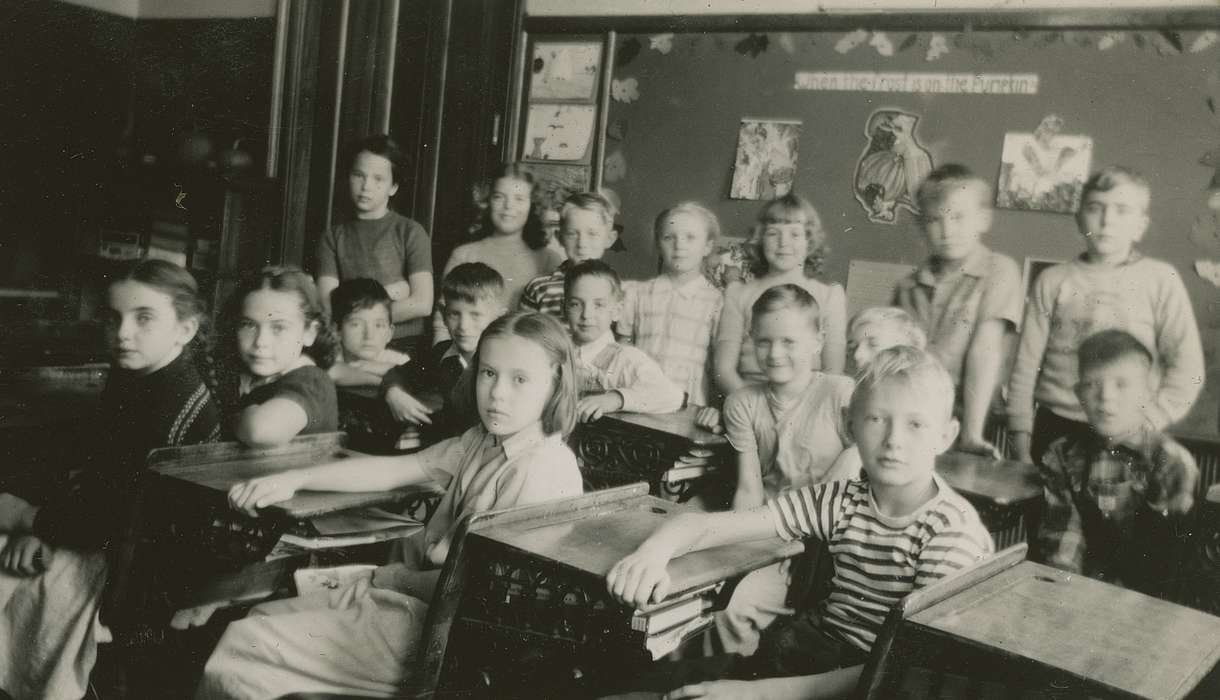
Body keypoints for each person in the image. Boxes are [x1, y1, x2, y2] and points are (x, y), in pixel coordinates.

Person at [195, 312, 584, 700]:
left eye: (520, 379)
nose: (497, 393)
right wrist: (295, 479)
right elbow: (400, 468)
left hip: (444, 637)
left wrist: (387, 579)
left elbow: (486, 593)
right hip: (413, 603)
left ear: (555, 384)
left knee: (245, 643)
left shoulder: (539, 467)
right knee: (260, 619)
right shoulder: (484, 440)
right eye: (488, 373)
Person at [604, 346, 993, 700]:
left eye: (915, 425)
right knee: (638, 691)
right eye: (876, 419)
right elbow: (709, 526)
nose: (893, 440)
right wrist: (652, 553)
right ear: (851, 425)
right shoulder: (840, 500)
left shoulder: (950, 531)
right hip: (806, 656)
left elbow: (908, 672)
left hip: (870, 685)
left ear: (946, 435)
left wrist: (754, 695)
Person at [0, 260, 220, 700]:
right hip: (100, 533)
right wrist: (39, 517)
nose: (122, 332)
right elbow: (89, 461)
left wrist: (33, 520)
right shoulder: (139, 376)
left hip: (133, 565)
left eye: (144, 318)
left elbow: (116, 514)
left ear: (185, 329)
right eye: (114, 317)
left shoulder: (167, 407)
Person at [1007, 166, 1205, 464]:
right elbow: (1025, 367)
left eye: (1122, 210)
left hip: (1130, 431)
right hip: (1057, 428)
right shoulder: (1053, 280)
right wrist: (1019, 436)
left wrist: (1150, 421)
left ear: (1140, 225)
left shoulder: (1161, 280)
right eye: (1095, 208)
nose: (1107, 220)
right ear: (1079, 219)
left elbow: (1188, 368)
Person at [709, 285, 855, 656]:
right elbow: (749, 488)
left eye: (789, 341)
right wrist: (736, 559)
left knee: (737, 609)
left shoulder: (841, 395)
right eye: (763, 341)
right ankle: (724, 679)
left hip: (830, 550)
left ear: (817, 341)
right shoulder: (743, 403)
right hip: (773, 534)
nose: (774, 354)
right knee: (719, 599)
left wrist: (849, 458)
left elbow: (859, 466)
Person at [1035, 329, 1198, 595]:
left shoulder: (1171, 462)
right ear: (1078, 394)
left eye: (1121, 384)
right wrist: (1063, 593)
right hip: (1080, 593)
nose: (1106, 397)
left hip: (1151, 600)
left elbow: (1168, 558)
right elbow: (1063, 536)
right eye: (1091, 384)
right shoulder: (1061, 456)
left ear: (1148, 391)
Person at [892, 164, 1022, 457]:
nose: (948, 231)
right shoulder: (907, 286)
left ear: (984, 219)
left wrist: (971, 434)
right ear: (921, 226)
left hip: (969, 416)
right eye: (935, 220)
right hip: (911, 414)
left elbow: (985, 351)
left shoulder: (999, 271)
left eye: (959, 217)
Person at [714, 193, 847, 399]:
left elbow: (833, 373)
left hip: (805, 404)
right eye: (774, 234)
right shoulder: (738, 294)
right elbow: (724, 370)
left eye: (795, 234)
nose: (783, 243)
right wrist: (753, 410)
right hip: (747, 400)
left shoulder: (830, 296)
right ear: (760, 239)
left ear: (809, 241)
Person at [315, 135, 433, 344]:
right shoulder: (332, 237)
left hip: (402, 342)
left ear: (393, 186)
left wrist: (357, 318)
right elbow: (328, 306)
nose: (366, 186)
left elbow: (423, 302)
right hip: (350, 344)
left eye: (378, 179)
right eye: (358, 175)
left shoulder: (411, 232)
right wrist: (394, 292)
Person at [432, 163, 566, 345]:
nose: (508, 206)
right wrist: (444, 362)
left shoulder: (549, 260)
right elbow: (443, 320)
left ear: (532, 205)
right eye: (499, 197)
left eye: (519, 199)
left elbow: (554, 328)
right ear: (487, 202)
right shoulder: (464, 254)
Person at [381, 262, 509, 441]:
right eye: (454, 314)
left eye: (475, 315)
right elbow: (396, 373)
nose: (463, 326)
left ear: (499, 318)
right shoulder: (441, 353)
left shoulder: (504, 367)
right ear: (443, 312)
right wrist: (394, 393)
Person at [215, 266, 340, 446]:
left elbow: (260, 432)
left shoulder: (311, 381)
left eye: (278, 328)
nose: (261, 341)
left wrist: (232, 413)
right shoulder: (252, 377)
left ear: (309, 333)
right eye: (249, 325)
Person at [618, 202, 724, 409]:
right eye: (669, 237)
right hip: (639, 400)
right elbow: (623, 349)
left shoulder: (716, 301)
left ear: (707, 247)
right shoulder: (637, 293)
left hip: (689, 404)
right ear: (658, 244)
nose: (679, 245)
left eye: (690, 237)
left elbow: (719, 366)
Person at [564, 260, 685, 423]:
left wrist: (615, 399)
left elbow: (672, 395)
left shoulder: (625, 358)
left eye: (599, 304)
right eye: (575, 304)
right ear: (563, 308)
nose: (587, 314)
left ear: (617, 311)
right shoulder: (554, 352)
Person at [520, 191, 618, 319]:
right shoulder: (538, 289)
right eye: (572, 234)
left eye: (592, 234)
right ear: (560, 237)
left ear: (609, 239)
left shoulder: (617, 291)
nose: (582, 243)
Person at [327, 278, 409, 388]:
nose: (369, 335)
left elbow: (415, 376)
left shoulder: (398, 361)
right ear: (337, 331)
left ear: (389, 333)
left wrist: (379, 367)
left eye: (378, 325)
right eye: (356, 324)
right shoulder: (332, 358)